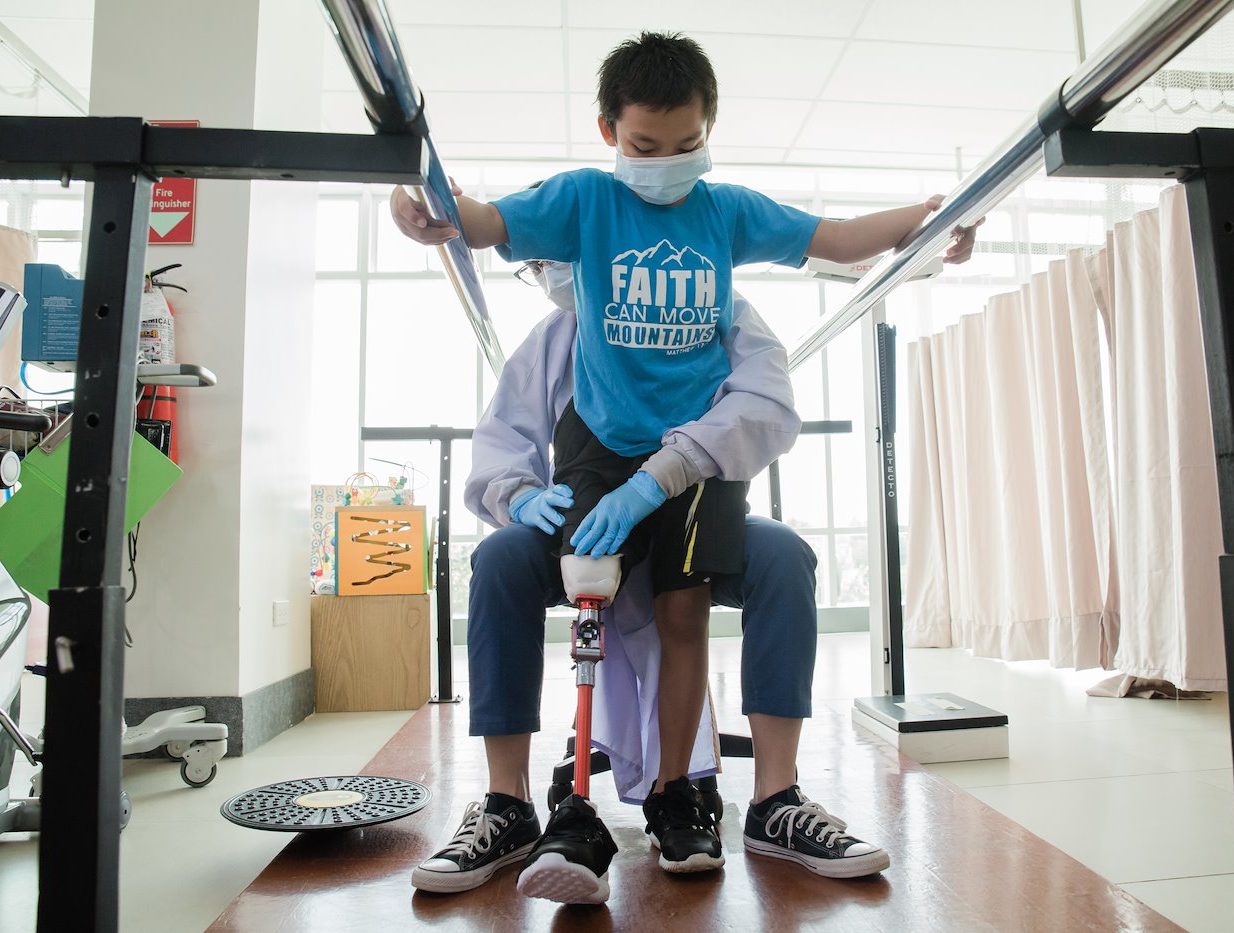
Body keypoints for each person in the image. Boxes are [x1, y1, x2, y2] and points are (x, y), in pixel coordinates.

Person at [392, 32, 982, 880]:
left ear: (709, 132)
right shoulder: (574, 259)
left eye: (685, 146)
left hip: (692, 482)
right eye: (642, 147)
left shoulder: (726, 279)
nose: (664, 165)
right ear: (609, 136)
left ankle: (757, 797)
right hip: (589, 479)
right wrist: (435, 211)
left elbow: (837, 246)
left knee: (766, 567)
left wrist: (931, 225)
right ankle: (511, 803)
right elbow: (485, 225)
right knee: (500, 561)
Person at [408, 262, 891, 904]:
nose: (555, 272)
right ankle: (509, 804)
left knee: (783, 556)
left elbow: (764, 405)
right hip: (588, 520)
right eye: (541, 265)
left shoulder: (707, 308)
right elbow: (508, 434)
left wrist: (666, 472)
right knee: (500, 559)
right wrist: (519, 495)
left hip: (695, 508)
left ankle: (775, 799)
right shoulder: (557, 337)